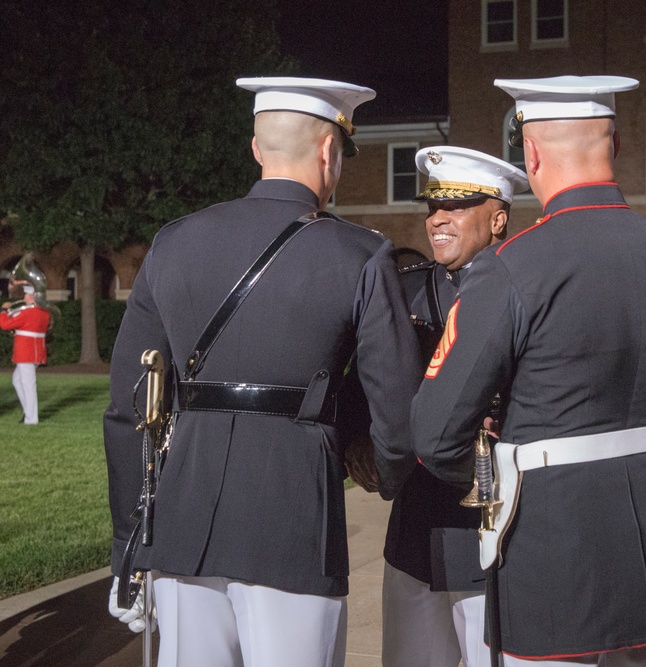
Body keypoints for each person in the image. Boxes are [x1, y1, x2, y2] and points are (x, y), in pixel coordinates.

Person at [103, 76, 423, 667]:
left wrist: (129, 543)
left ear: (256, 148)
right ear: (329, 151)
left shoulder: (172, 242)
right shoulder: (361, 253)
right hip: (293, 519)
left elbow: (129, 409)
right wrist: (383, 471)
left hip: (183, 526)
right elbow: (397, 413)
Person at [410, 75, 646, 666]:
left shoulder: (509, 267)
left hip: (550, 542)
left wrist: (487, 478)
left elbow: (435, 430)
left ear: (530, 153)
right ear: (616, 148)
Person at [383, 146, 528, 667]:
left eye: (458, 206)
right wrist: (360, 439)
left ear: (499, 217)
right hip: (415, 531)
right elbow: (362, 378)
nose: (437, 219)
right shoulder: (402, 292)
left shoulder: (527, 291)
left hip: (491, 527)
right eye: (432, 208)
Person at [1, 283, 50, 425]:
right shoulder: (44, 312)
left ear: (33, 297)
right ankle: (28, 412)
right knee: (17, 381)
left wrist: (4, 310)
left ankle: (31, 419)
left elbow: (4, 324)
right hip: (36, 352)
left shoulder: (27, 312)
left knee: (28, 385)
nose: (25, 298)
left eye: (28, 295)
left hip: (25, 352)